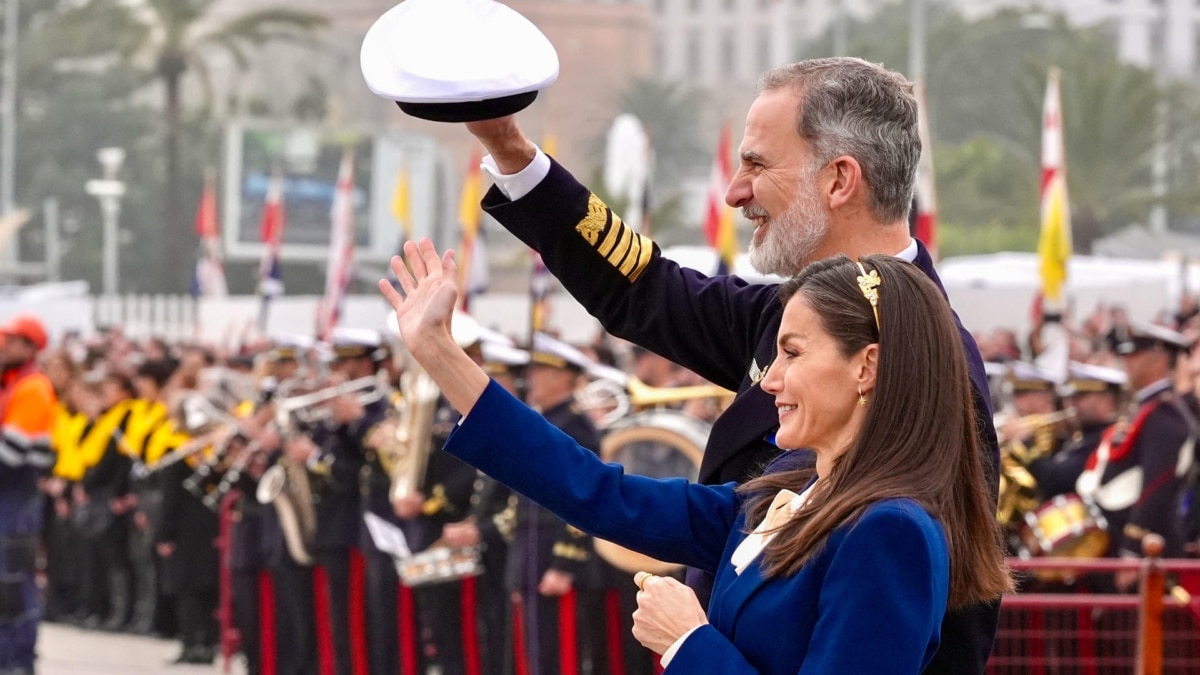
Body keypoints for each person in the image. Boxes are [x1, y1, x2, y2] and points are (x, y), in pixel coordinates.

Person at [436, 57, 1002, 672]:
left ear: (839, 180)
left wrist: (689, 643)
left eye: (757, 164)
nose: (734, 191)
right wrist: (511, 148)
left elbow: (944, 629)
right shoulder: (792, 318)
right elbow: (642, 291)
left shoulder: (932, 365)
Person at [379, 240, 1011, 674]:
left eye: (792, 353)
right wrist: (439, 353)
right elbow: (599, 494)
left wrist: (689, 642)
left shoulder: (890, 530)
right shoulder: (787, 492)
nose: (769, 381)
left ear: (866, 367)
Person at [0, 315, 57, 675]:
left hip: (15, 500)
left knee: (12, 587)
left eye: (6, 341)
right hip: (8, 498)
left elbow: (9, 455)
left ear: (27, 347)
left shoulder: (32, 388)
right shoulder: (11, 385)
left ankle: (18, 663)